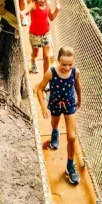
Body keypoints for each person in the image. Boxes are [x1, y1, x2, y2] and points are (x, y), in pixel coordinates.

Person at [36, 46, 81, 186]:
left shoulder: (75, 72)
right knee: (54, 123)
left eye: (70, 64)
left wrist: (80, 99)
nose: (67, 68)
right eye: (64, 64)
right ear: (58, 61)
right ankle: (55, 132)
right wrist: (43, 107)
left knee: (71, 137)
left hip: (70, 104)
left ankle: (70, 165)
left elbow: (77, 86)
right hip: (55, 103)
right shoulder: (51, 72)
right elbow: (39, 89)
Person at [23, 0, 60, 74]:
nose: (43, 0)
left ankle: (45, 77)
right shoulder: (33, 5)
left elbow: (51, 18)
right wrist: (22, 13)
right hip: (35, 34)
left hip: (46, 33)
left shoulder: (48, 4)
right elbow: (26, 10)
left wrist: (57, 10)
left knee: (46, 56)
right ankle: (33, 61)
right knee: (35, 53)